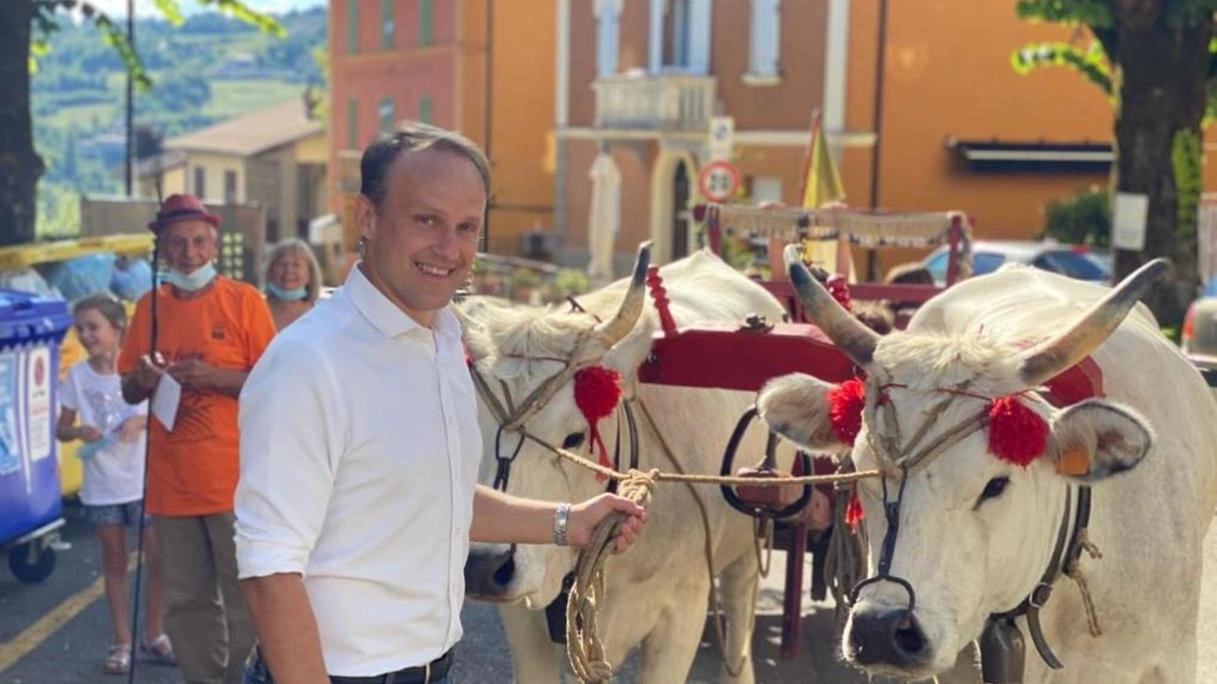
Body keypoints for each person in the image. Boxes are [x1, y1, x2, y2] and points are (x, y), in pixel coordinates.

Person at [235, 122, 646, 684]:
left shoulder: (444, 340)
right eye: (426, 219)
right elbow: (268, 569)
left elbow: (442, 489)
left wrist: (568, 522)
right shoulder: (310, 362)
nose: (449, 248)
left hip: (430, 668)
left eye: (466, 227)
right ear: (368, 217)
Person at [119, 193, 278, 684]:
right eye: (178, 243)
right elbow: (128, 388)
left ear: (214, 245)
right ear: (162, 249)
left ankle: (241, 677)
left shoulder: (243, 300)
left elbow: (275, 381)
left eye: (198, 242)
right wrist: (144, 380)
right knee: (186, 600)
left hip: (235, 479)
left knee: (245, 595)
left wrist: (213, 377)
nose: (189, 252)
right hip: (170, 484)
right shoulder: (148, 307)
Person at [55, 294, 174, 675]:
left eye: (94, 327)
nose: (87, 335)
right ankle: (121, 641)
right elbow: (61, 429)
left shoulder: (140, 369)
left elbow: (169, 413)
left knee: (159, 560)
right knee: (114, 563)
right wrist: (78, 430)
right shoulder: (77, 375)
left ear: (117, 328)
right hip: (102, 484)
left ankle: (154, 633)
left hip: (145, 480)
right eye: (81, 329)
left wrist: (143, 422)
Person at [262, 238, 322, 330]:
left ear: (310, 274)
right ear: (271, 271)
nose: (289, 270)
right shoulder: (257, 310)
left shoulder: (320, 314)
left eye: (296, 265)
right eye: (282, 264)